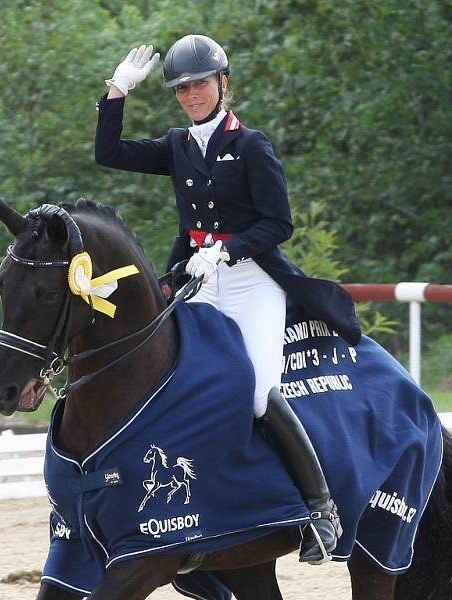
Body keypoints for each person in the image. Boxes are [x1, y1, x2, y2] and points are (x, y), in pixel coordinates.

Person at [95, 34, 358, 564]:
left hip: (252, 281)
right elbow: (109, 153)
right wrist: (116, 92)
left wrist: (229, 251)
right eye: (182, 88)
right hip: (199, 281)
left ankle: (320, 509)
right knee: (180, 389)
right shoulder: (177, 145)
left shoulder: (252, 145)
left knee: (258, 392)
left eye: (200, 84)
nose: (191, 94)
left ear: (222, 83)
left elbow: (278, 224)